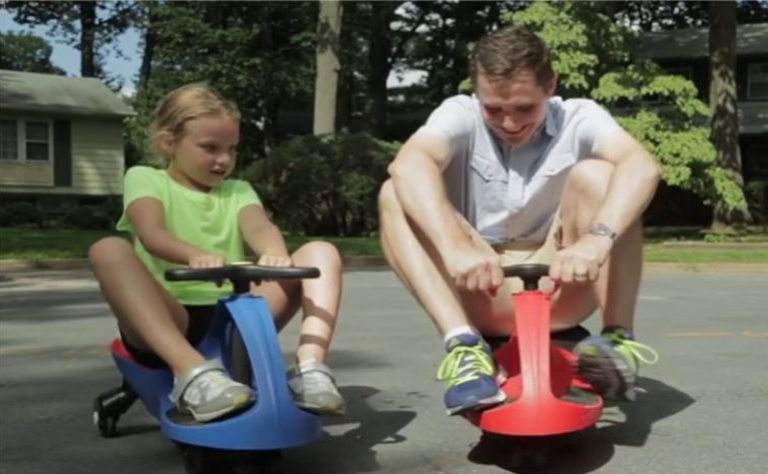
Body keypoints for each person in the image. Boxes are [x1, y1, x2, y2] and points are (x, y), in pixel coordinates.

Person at [378, 26, 660, 416]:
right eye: (494, 109)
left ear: (550, 86)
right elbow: (408, 164)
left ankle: (616, 341)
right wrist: (454, 246)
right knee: (394, 191)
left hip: (561, 284)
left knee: (602, 176)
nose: (509, 123)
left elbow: (642, 165)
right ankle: (464, 348)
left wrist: (594, 242)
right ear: (477, 92)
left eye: (524, 108)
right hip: (477, 285)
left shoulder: (580, 116)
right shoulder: (458, 113)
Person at [89, 83, 345, 422]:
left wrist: (273, 251)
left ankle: (310, 367)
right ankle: (190, 372)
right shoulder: (146, 178)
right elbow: (152, 234)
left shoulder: (238, 190)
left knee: (321, 251)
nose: (224, 160)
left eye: (232, 149)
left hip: (232, 320)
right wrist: (193, 254)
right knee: (107, 249)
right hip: (169, 316)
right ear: (169, 143)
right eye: (210, 148)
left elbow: (259, 226)